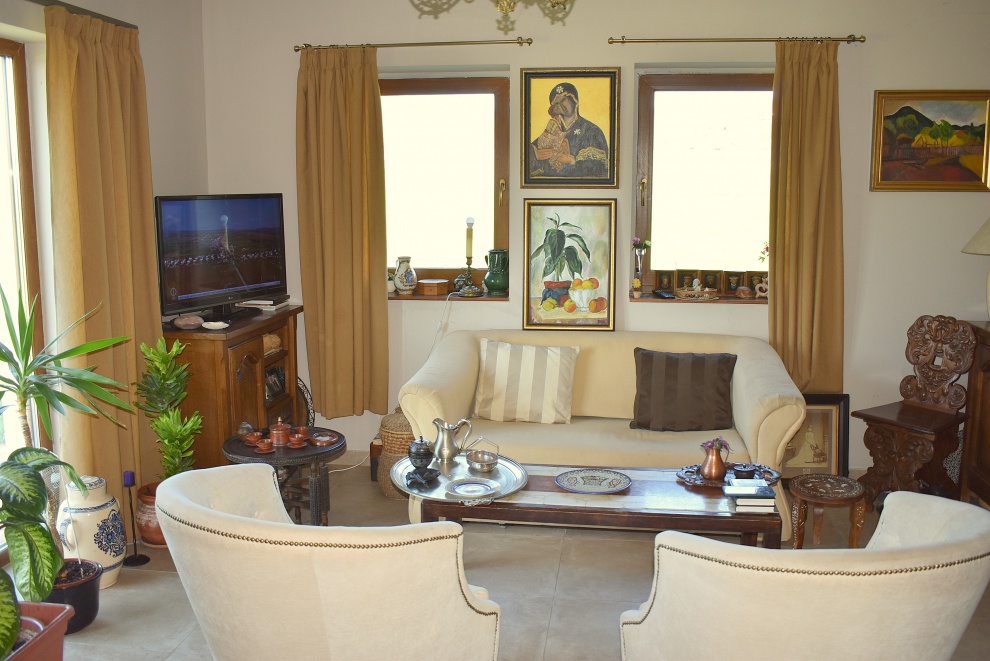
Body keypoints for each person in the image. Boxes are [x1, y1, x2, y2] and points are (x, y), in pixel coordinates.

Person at [529, 82, 609, 179]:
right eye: (557, 103)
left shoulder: (592, 131)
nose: (561, 106)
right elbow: (527, 160)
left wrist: (572, 161)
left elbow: (601, 169)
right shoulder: (552, 130)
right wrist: (535, 153)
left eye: (563, 100)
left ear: (574, 99)